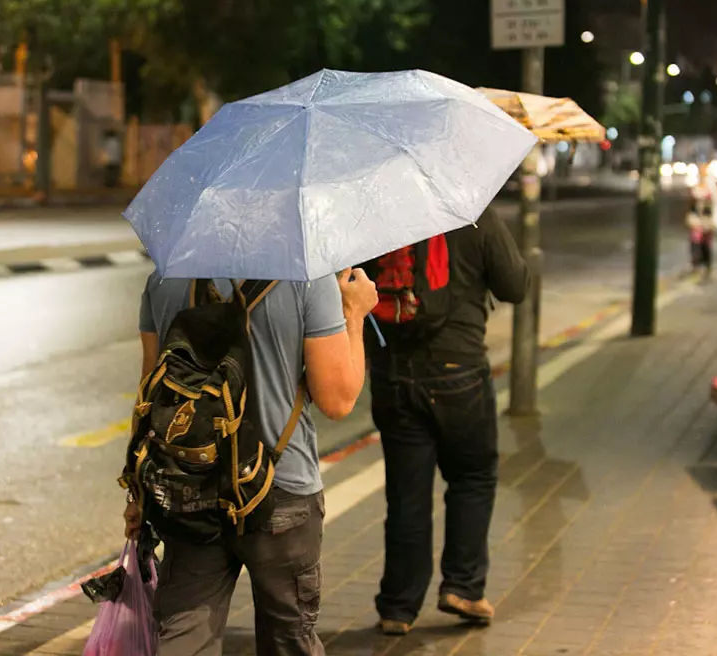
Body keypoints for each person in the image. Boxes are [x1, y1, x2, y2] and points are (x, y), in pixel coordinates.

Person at [124, 269, 377, 655]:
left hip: (189, 487)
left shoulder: (165, 278)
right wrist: (354, 314)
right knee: (289, 641)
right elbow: (338, 400)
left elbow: (152, 397)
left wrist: (139, 492)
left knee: (184, 636)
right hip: (280, 488)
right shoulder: (307, 278)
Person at [363, 207, 529, 635]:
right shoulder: (472, 216)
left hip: (393, 376)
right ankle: (464, 586)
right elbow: (514, 286)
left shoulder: (377, 217)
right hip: (459, 372)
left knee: (406, 495)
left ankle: (398, 607)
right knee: (473, 477)